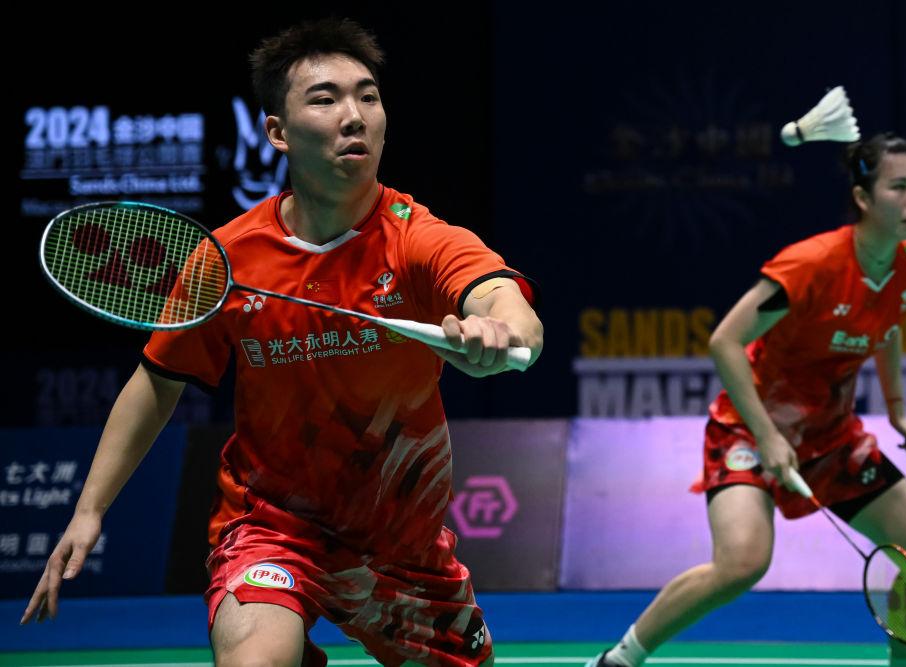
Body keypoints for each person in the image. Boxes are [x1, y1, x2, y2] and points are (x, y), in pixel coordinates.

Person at [21, 16, 543, 667]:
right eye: (325, 99)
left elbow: (505, 303)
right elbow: (157, 383)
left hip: (401, 545)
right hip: (272, 527)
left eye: (369, 96)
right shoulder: (228, 260)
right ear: (277, 132)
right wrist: (89, 509)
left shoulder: (416, 238)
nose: (353, 116)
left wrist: (499, 331)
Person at [586, 133, 906, 667]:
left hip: (832, 439)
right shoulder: (812, 265)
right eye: (899, 187)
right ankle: (618, 660)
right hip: (748, 429)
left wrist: (897, 411)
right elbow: (725, 341)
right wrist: (767, 434)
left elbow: (888, 322)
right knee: (741, 563)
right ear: (863, 198)